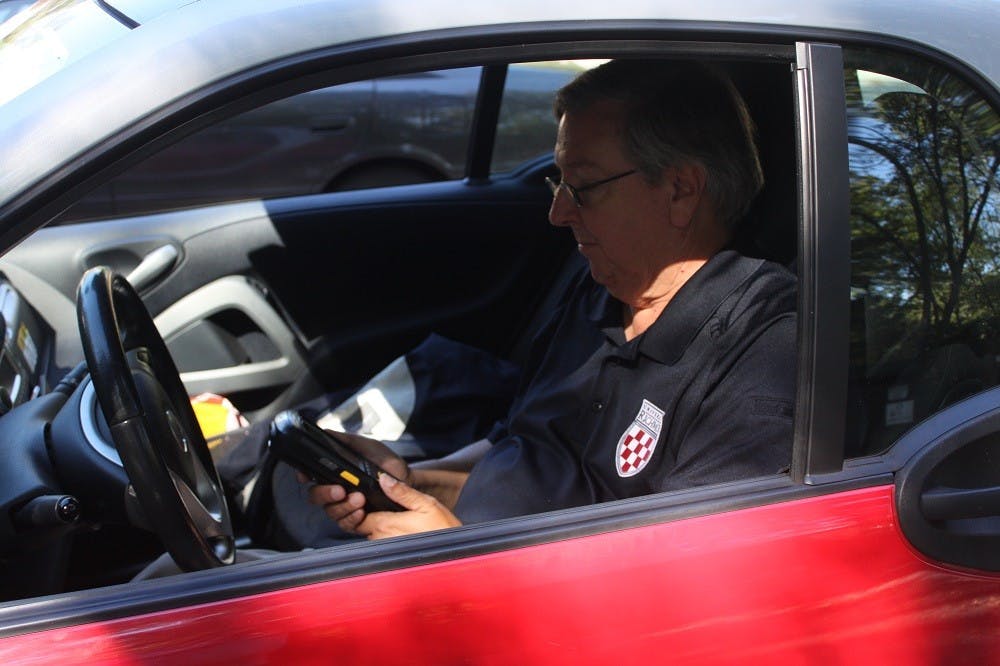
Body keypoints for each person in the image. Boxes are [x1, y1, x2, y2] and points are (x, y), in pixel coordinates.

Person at [306, 59, 797, 539]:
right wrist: (407, 484)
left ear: (680, 190)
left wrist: (455, 561)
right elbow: (524, 455)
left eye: (582, 186)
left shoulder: (762, 356)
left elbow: (678, 593)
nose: (557, 213)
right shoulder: (600, 291)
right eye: (558, 181)